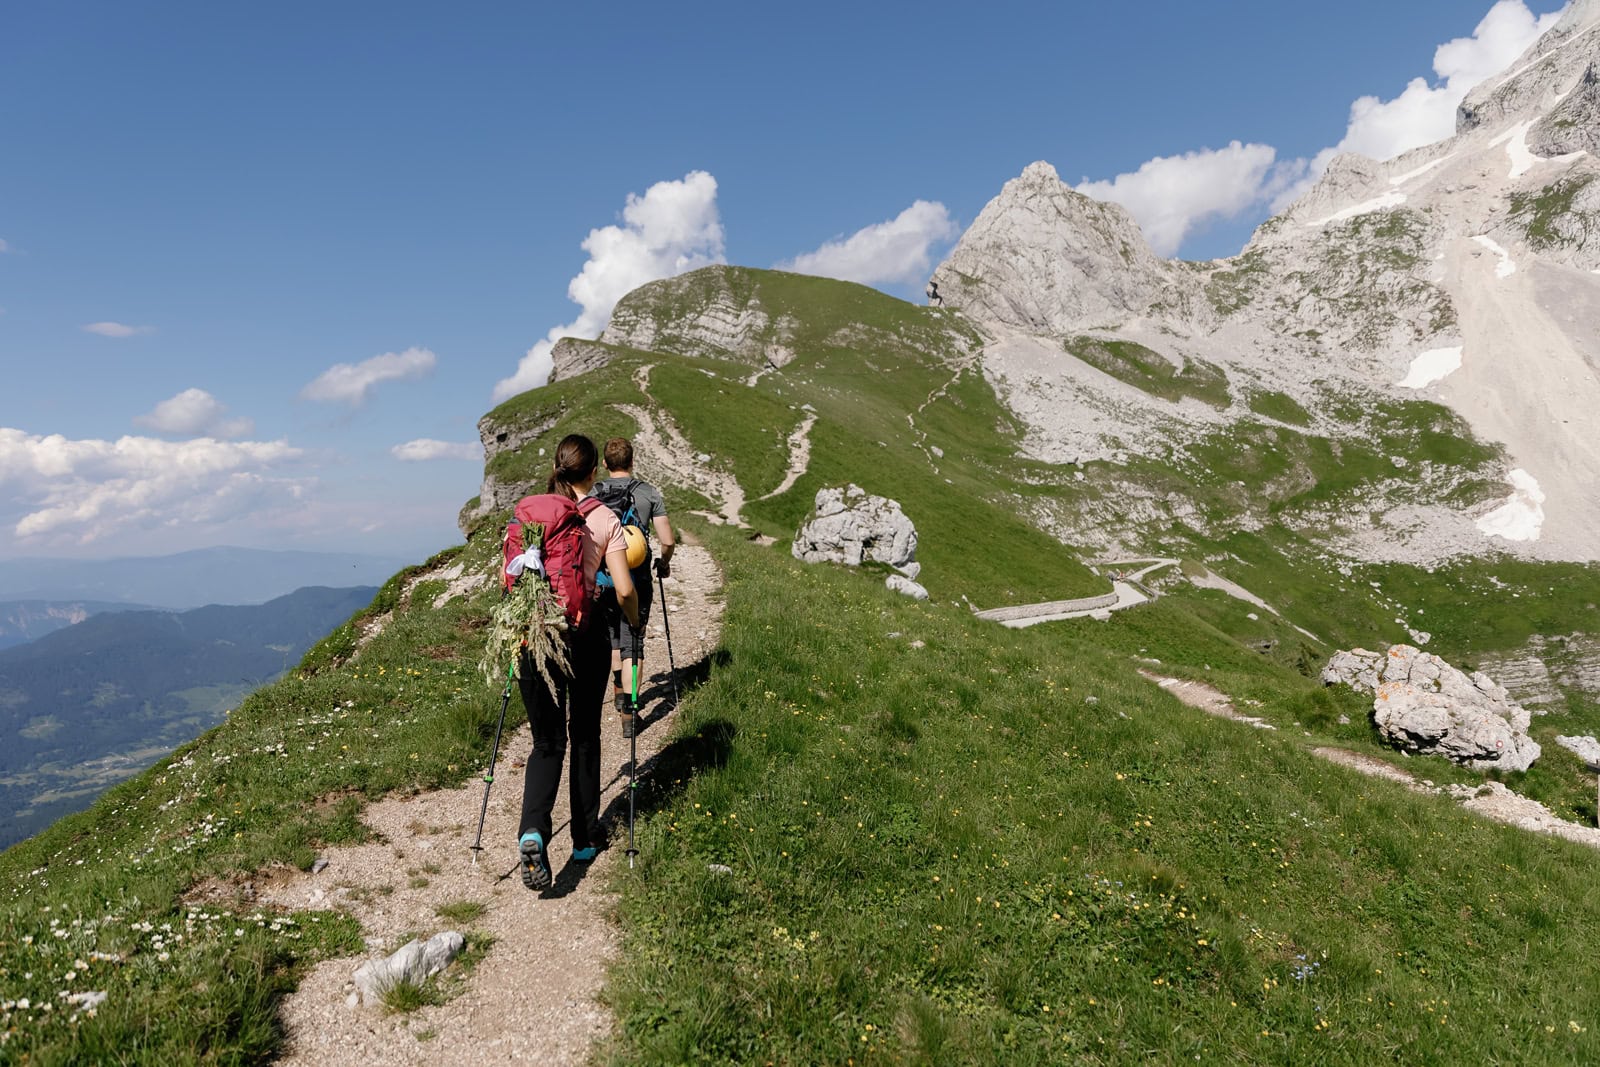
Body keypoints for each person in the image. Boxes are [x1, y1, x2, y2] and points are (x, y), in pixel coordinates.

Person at [517, 434, 639, 890]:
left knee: (546, 743)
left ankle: (533, 831)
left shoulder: (529, 514)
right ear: (594, 472)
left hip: (535, 637)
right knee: (584, 735)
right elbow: (623, 589)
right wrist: (633, 622)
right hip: (583, 638)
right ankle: (585, 838)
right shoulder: (604, 517)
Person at [597, 436, 675, 738]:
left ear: (605, 463)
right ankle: (630, 713)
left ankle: (619, 689)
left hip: (604, 577)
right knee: (634, 640)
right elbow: (667, 540)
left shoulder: (594, 493)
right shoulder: (648, 492)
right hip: (637, 576)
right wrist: (663, 562)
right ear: (632, 461)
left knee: (613, 637)